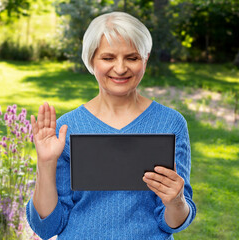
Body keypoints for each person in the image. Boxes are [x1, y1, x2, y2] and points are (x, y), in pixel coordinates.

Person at [26, 12, 196, 240]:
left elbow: (172, 223)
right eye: (108, 58)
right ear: (91, 61)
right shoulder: (66, 128)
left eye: (132, 58)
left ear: (145, 59)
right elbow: (47, 228)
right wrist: (46, 163)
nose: (120, 68)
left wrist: (176, 200)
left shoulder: (170, 123)